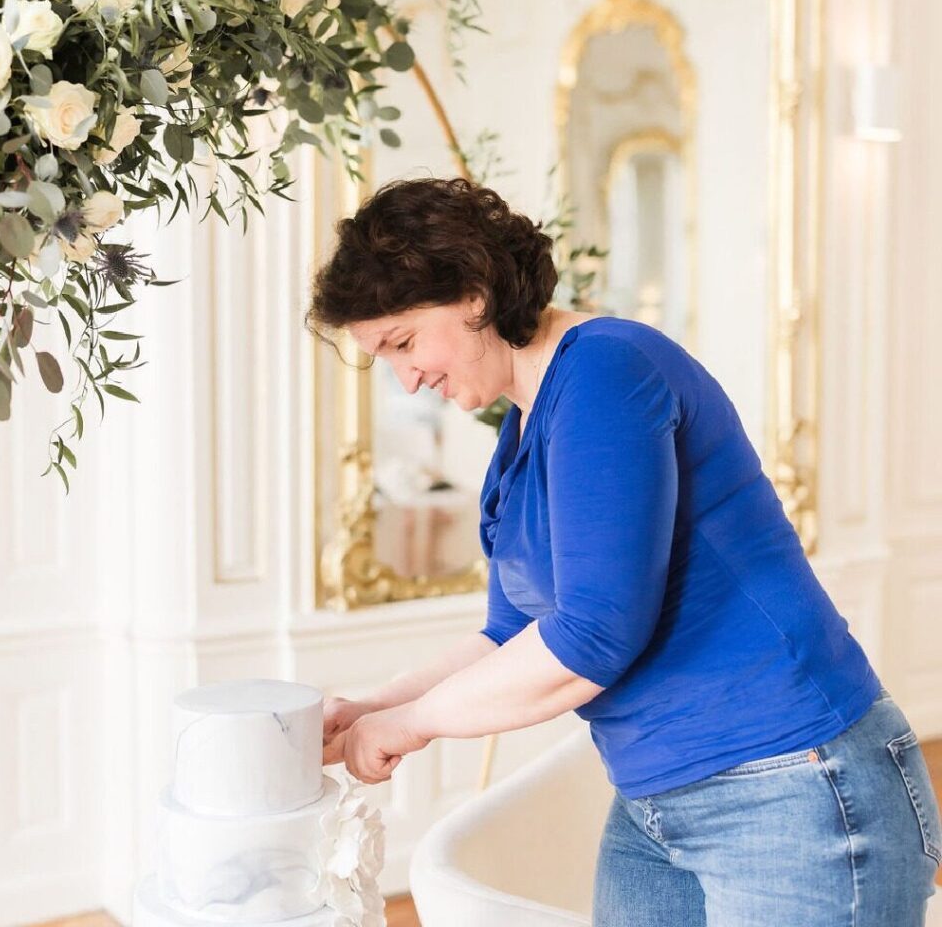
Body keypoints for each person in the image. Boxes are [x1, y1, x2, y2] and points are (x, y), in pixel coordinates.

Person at [306, 176, 941, 925]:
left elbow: (593, 637)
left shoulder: (607, 371)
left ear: (473, 293)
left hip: (791, 783)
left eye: (404, 343)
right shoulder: (522, 431)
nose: (407, 379)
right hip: (657, 803)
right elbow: (510, 635)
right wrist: (378, 705)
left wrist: (412, 725)